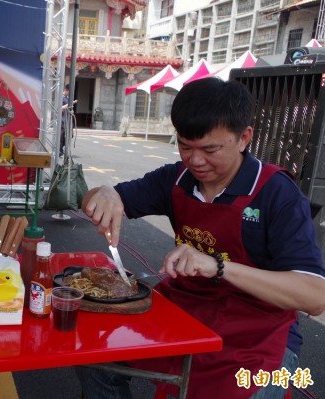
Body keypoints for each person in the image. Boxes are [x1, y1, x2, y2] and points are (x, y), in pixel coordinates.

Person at [78, 77, 325, 399]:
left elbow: (314, 296)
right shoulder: (177, 178)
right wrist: (105, 193)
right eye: (185, 146)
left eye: (210, 149)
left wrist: (218, 266)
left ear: (244, 138)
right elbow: (94, 198)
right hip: (183, 308)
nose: (195, 160)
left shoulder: (277, 194)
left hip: (258, 331)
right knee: (92, 348)